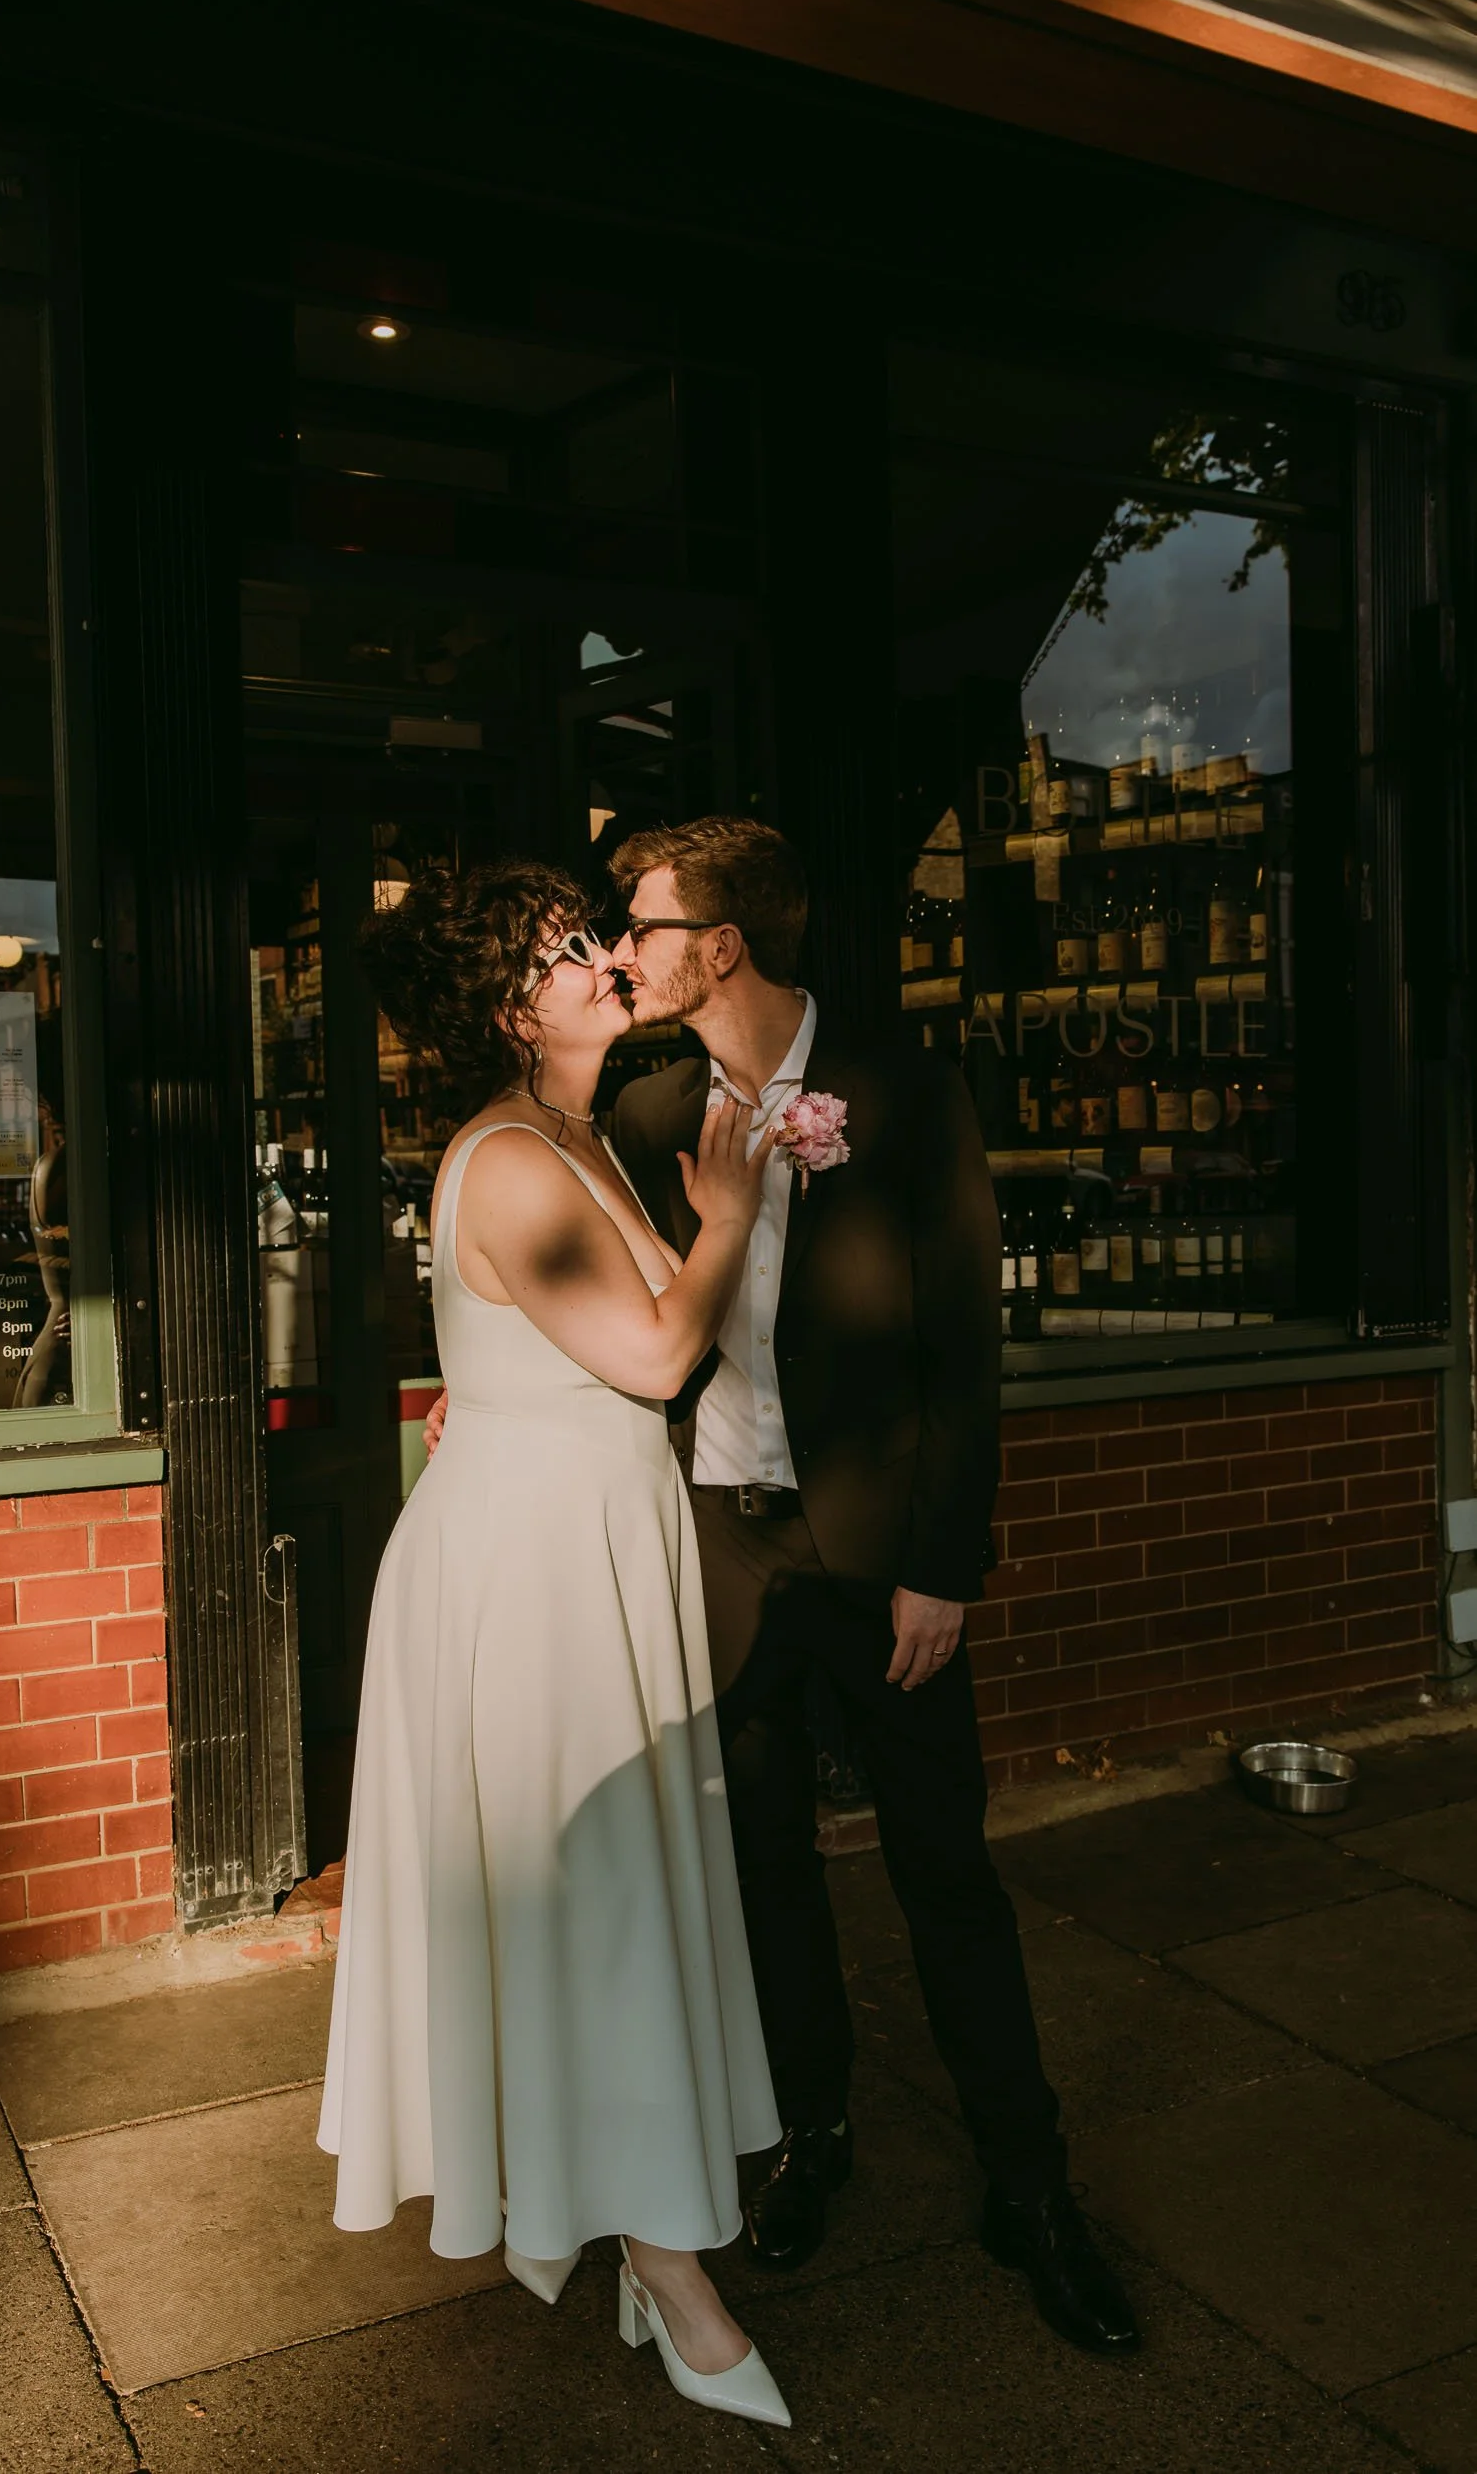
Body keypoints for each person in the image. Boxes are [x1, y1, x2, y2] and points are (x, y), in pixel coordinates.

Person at [604, 815, 1139, 2357]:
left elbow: (963, 1355)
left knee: (942, 1871)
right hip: (721, 1539)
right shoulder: (645, 1113)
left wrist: (939, 1567)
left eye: (641, 925)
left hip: (876, 1555)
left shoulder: (901, 1091)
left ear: (720, 945)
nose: (624, 949)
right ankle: (809, 2134)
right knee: (761, 1864)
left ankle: (1028, 2189)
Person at [319, 859, 791, 2430]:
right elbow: (661, 1350)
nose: (598, 958)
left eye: (589, 934)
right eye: (563, 951)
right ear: (506, 1011)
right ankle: (667, 2265)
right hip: (533, 1578)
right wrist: (727, 1213)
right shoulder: (516, 1161)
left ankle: (634, 2223)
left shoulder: (578, 1131)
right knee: (595, 1905)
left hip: (583, 1544)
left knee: (617, 1896)